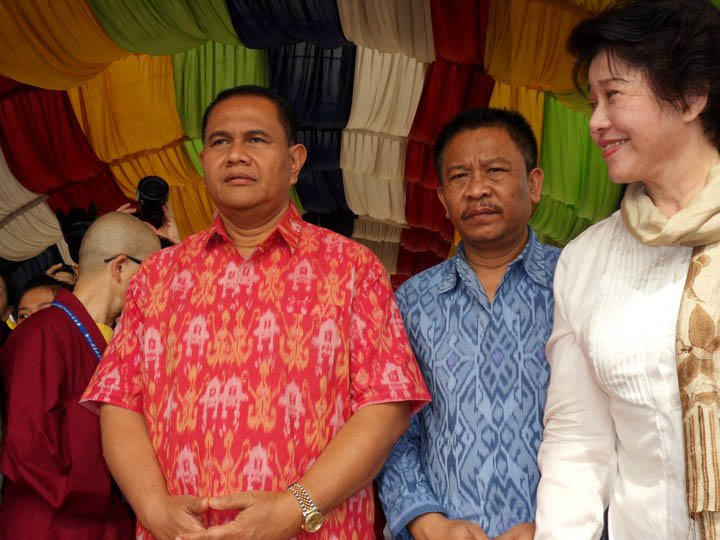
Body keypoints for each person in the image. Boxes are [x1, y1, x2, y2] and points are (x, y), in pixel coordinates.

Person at [81, 85, 430, 540]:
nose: (236, 155)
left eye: (256, 139)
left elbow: (386, 408)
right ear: (203, 161)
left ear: (295, 161)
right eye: (220, 141)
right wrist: (154, 508)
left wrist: (294, 507)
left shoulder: (351, 268)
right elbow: (120, 404)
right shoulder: (157, 276)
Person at [534, 1, 720, 538]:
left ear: (690, 96)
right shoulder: (586, 261)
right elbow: (578, 443)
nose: (596, 122)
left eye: (613, 95)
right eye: (593, 102)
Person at [378, 107, 561, 540]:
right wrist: (427, 522)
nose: (477, 189)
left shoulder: (576, 283)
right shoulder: (412, 302)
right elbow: (392, 430)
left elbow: (612, 424)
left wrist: (560, 523)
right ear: (443, 199)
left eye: (495, 170)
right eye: (459, 177)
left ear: (534, 183)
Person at [0, 212, 161, 539]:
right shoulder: (41, 332)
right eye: (151, 273)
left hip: (104, 519)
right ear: (119, 267)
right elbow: (30, 442)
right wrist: (117, 414)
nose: (156, 288)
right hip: (52, 524)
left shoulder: (115, 340)